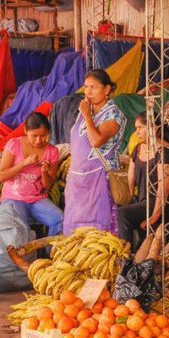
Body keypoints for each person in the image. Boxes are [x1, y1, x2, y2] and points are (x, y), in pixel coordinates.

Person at [63, 69, 127, 235]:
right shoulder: (86, 111)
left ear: (106, 90)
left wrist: (87, 116)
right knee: (75, 230)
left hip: (98, 178)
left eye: (93, 87)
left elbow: (96, 140)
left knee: (98, 229)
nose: (88, 92)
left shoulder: (113, 115)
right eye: (86, 87)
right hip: (78, 182)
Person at [118, 112, 169, 249]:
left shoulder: (165, 151)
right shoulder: (138, 148)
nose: (137, 132)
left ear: (155, 128)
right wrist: (131, 197)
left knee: (122, 214)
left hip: (162, 203)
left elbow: (163, 189)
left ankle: (126, 257)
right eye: (136, 128)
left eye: (140, 128)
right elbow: (131, 176)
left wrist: (154, 217)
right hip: (144, 200)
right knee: (117, 209)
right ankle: (131, 252)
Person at [0, 111, 63, 235]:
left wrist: (44, 172)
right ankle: (21, 255)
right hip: (13, 198)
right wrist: (24, 163)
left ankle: (51, 253)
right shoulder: (14, 144)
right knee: (21, 229)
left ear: (48, 133)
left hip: (37, 199)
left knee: (59, 219)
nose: (39, 140)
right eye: (34, 135)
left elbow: (48, 186)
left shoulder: (52, 151)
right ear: (25, 131)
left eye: (43, 135)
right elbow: (2, 176)